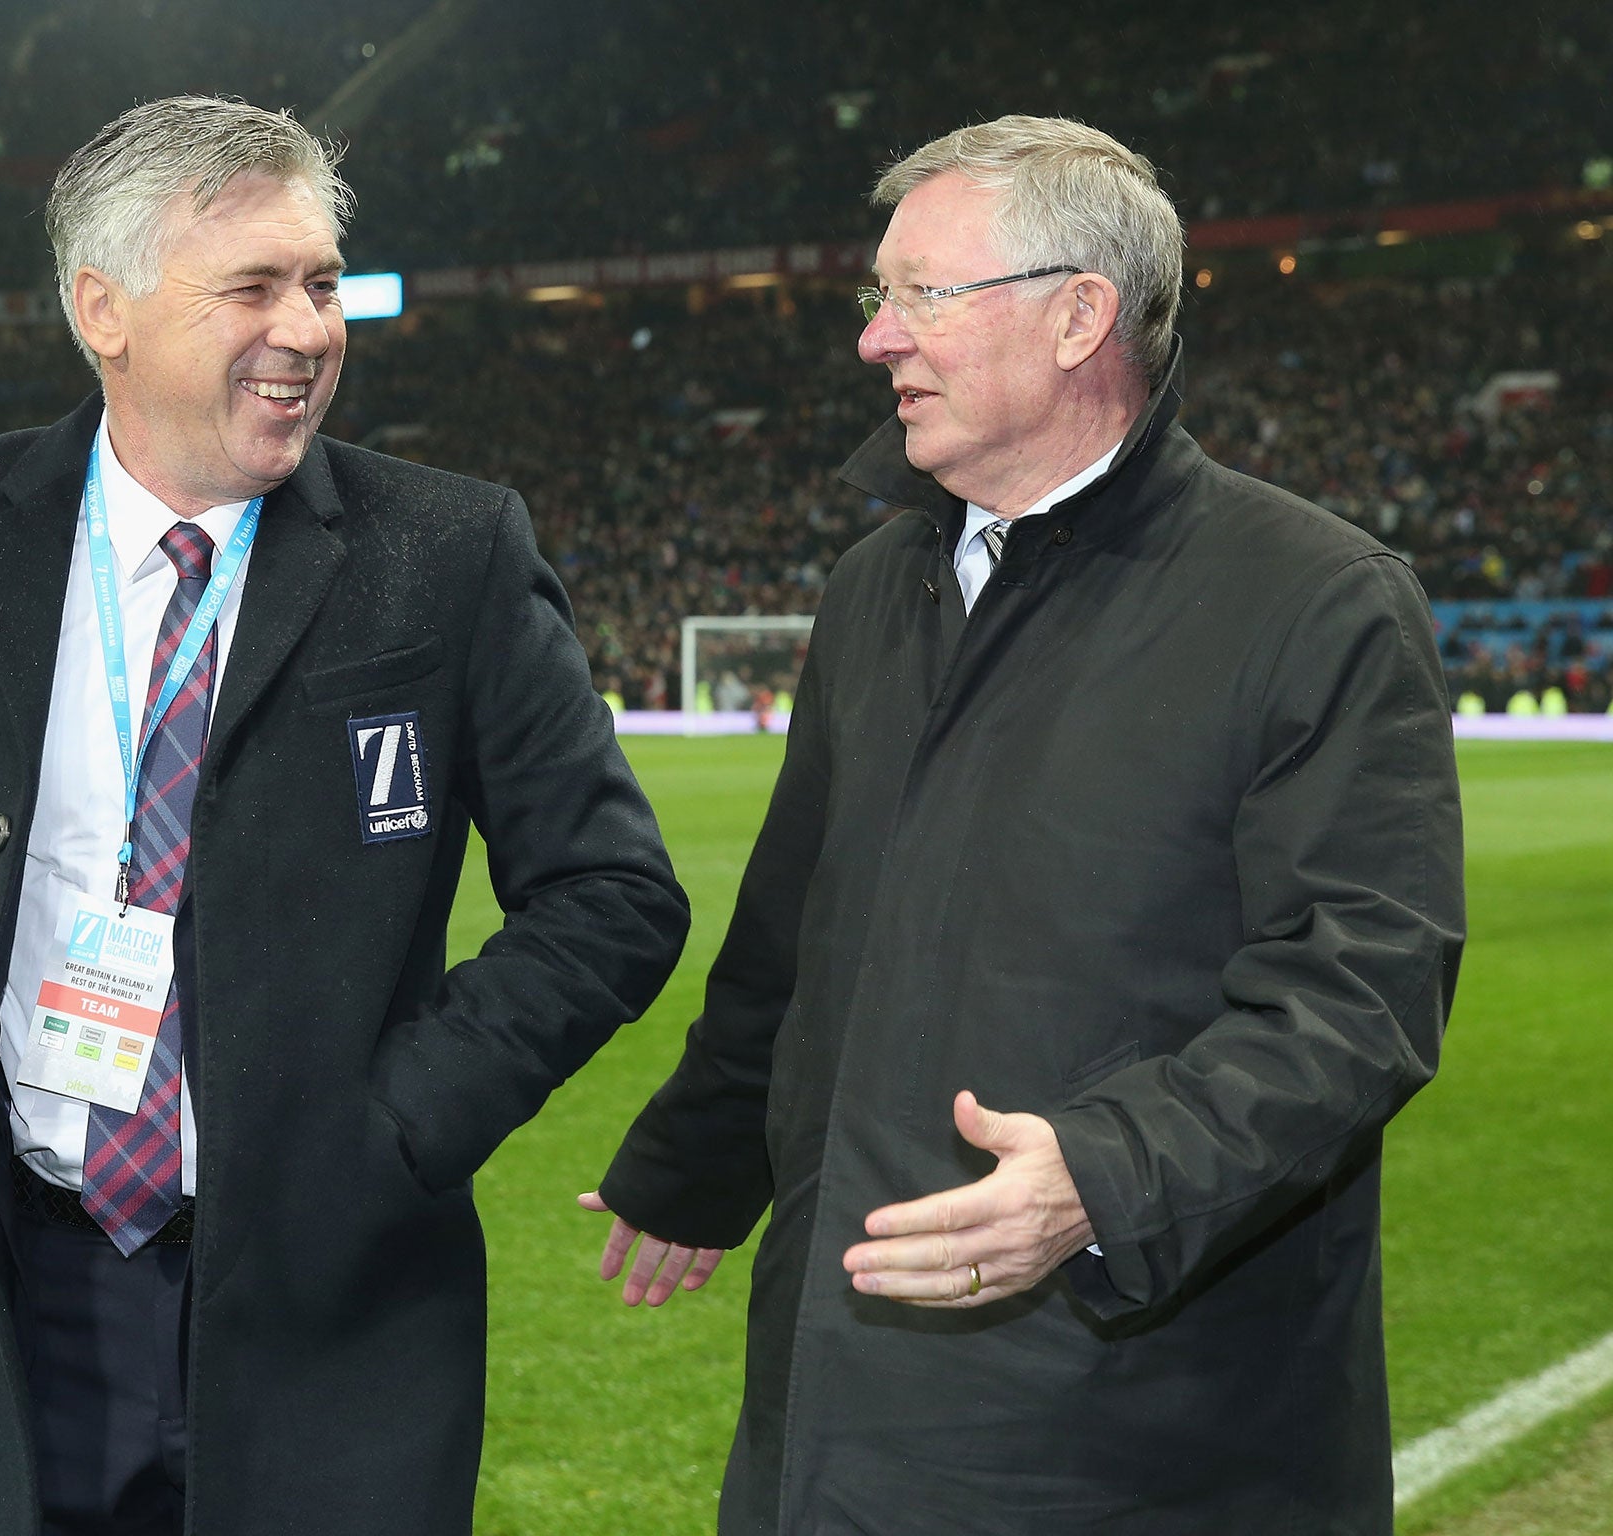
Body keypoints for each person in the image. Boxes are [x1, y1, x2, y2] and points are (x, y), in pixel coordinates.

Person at [0, 96, 687, 1536]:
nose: (309, 327)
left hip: (330, 1304)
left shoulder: (448, 551)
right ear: (101, 310)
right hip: (11, 1292)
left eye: (320, 283)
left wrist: (397, 1129)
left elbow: (613, 892)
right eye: (252, 286)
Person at [583, 116, 1464, 1534]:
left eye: (922, 293)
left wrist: (1106, 1176)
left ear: (1079, 317)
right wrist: (702, 1160)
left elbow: (1361, 992)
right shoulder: (879, 583)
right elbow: (800, 920)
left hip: (1139, 1421)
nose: (877, 340)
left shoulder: (1313, 600)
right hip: (842, 1374)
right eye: (879, 297)